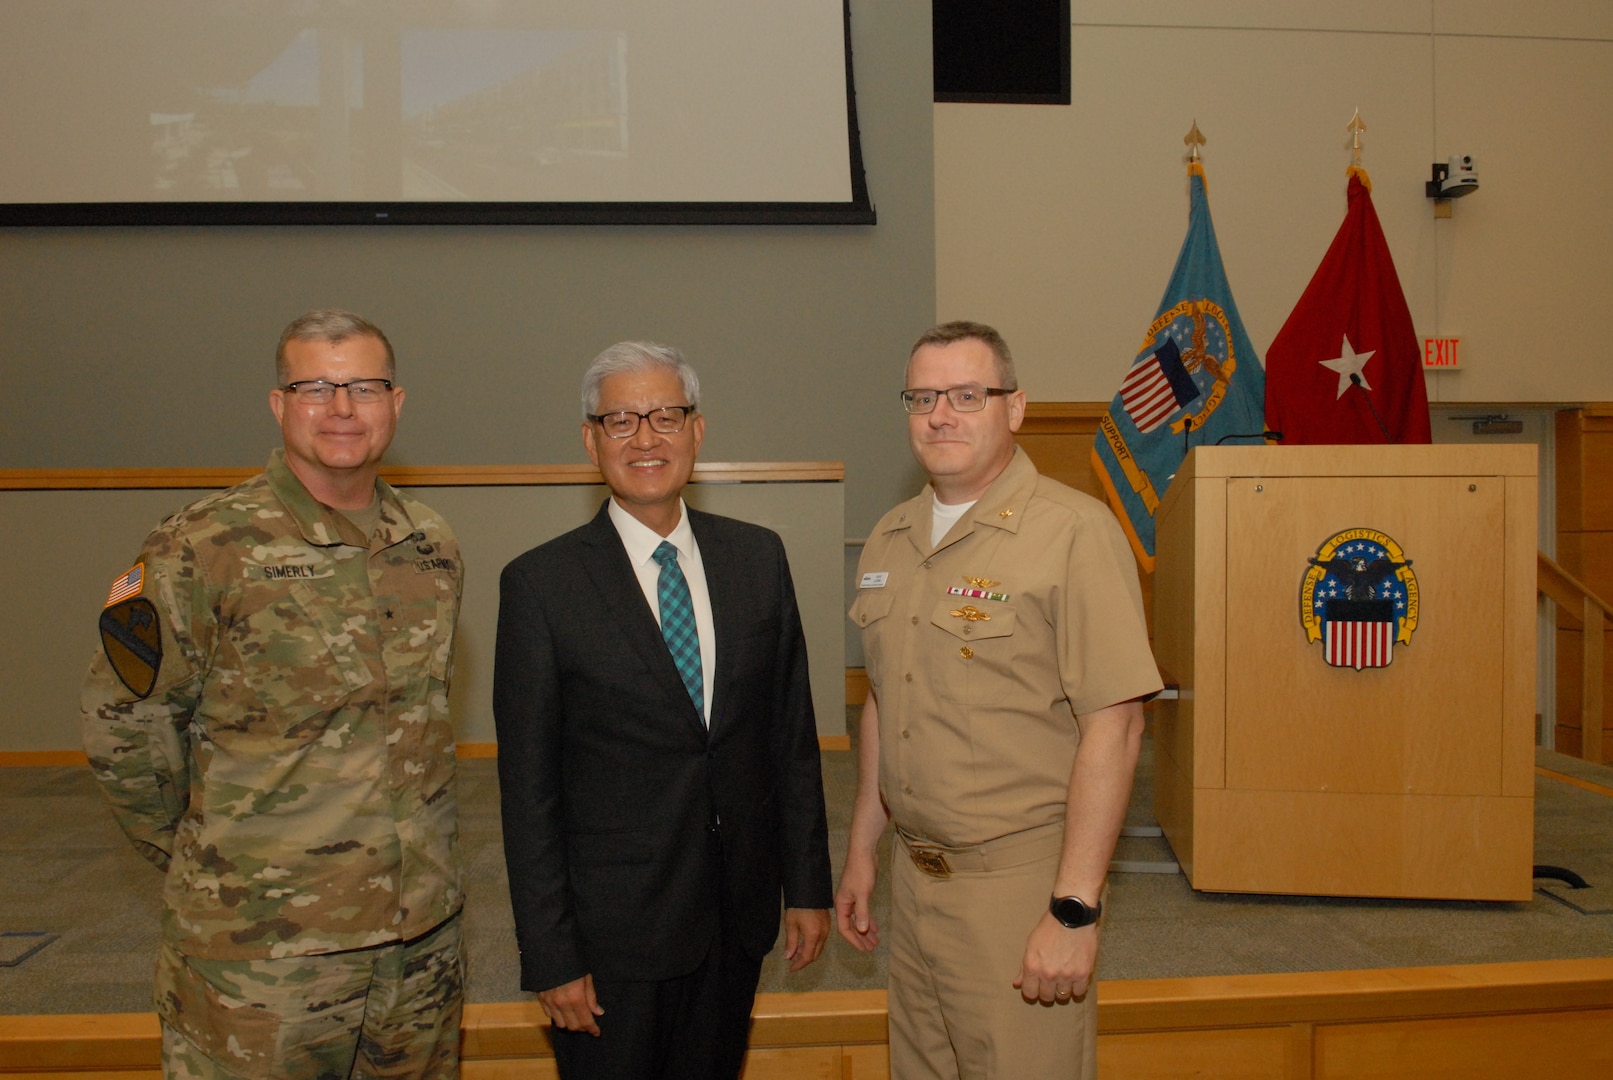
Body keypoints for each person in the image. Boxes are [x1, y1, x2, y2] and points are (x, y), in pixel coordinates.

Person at [81, 310, 465, 1080]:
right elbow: (123, 726)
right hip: (261, 959)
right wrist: (213, 862)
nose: (342, 408)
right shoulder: (201, 545)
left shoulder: (430, 543)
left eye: (363, 385)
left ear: (397, 401)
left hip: (416, 945)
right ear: (278, 403)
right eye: (315, 386)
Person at [493, 341, 833, 1080]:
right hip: (611, 938)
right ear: (590, 441)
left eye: (666, 416)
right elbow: (528, 792)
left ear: (697, 431)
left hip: (733, 916)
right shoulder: (540, 586)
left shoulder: (758, 558)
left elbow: (789, 741)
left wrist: (806, 887)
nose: (645, 438)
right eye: (620, 420)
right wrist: (551, 953)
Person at [836, 321, 1162, 1079]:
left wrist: (1073, 910)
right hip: (915, 884)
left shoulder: (1073, 533)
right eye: (921, 397)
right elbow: (887, 701)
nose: (939, 414)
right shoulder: (891, 536)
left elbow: (1114, 728)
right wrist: (860, 850)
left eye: (964, 395)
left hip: (1018, 887)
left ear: (1013, 408)